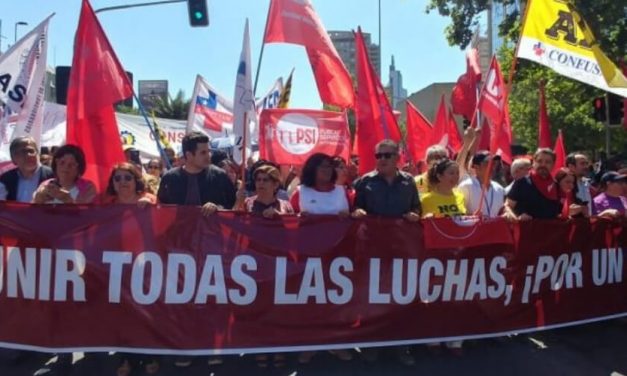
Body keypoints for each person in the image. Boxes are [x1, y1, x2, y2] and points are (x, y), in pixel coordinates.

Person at [351, 139, 420, 366]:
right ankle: (372, 344)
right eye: (378, 155)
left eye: (387, 155)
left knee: (399, 296)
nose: (381, 159)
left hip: (401, 248)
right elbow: (355, 210)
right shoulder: (364, 182)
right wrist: (358, 211)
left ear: (397, 157)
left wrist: (414, 214)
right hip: (372, 249)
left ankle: (401, 346)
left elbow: (416, 207)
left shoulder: (409, 182)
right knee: (372, 297)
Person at [157, 132, 236, 215]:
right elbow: (161, 208)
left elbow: (231, 205)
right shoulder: (170, 178)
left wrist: (217, 208)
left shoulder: (220, 176)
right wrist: (146, 204)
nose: (208, 156)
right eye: (203, 153)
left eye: (208, 151)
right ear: (189, 155)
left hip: (210, 227)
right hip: (179, 227)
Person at [504, 148, 561, 220]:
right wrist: (516, 217)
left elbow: (559, 212)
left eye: (547, 162)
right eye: (539, 161)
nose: (543, 164)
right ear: (534, 163)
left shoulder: (556, 186)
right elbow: (508, 206)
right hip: (526, 230)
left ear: (553, 165)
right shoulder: (522, 182)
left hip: (550, 230)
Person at [32, 145, 97, 204]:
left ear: (79, 168)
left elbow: (88, 214)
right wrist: (37, 200)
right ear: (56, 163)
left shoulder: (88, 187)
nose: (66, 167)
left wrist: (68, 200)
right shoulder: (45, 184)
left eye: (72, 164)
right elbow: (32, 212)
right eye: (62, 162)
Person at [0, 137, 54, 202]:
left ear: (38, 153)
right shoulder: (6, 179)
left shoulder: (52, 175)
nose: (29, 155)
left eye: (31, 151)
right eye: (23, 152)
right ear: (14, 158)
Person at [458, 151, 506, 218]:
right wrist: (472, 217)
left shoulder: (499, 188)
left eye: (493, 163)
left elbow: (501, 211)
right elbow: (457, 215)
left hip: (493, 227)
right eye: (487, 163)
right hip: (473, 228)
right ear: (476, 167)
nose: (492, 166)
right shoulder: (466, 186)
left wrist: (507, 213)